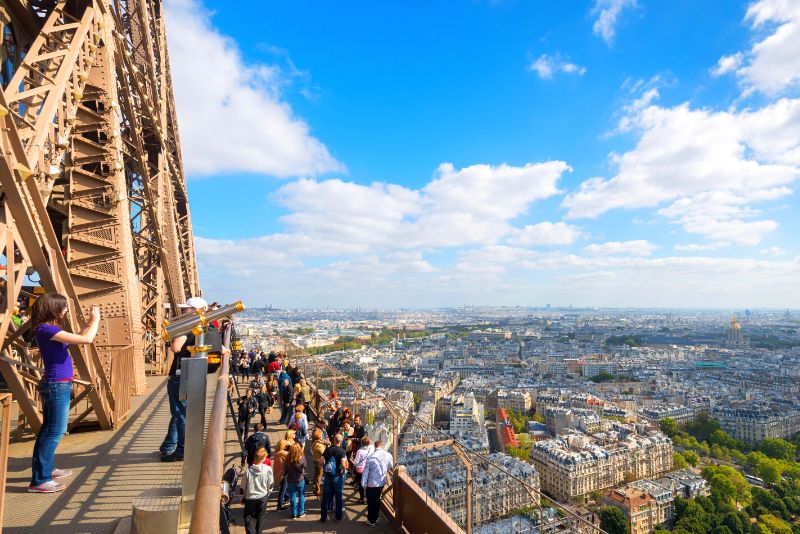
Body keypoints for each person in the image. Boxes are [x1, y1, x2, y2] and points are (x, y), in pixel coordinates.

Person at [28, 293, 101, 493]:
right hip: (56, 385)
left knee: (48, 430)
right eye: (64, 307)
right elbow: (86, 339)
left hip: (57, 384)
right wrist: (95, 320)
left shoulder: (48, 330)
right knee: (55, 432)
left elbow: (77, 337)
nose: (66, 310)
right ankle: (39, 480)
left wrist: (88, 322)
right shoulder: (46, 329)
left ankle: (48, 470)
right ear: (54, 309)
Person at [160, 296, 208, 462]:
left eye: (185, 309)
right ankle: (168, 445)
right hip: (191, 374)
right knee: (179, 413)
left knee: (180, 413)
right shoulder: (204, 326)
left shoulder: (189, 326)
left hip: (180, 375)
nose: (181, 311)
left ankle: (182, 450)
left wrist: (177, 330)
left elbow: (175, 347)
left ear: (194, 312)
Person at [362, 440, 394, 526]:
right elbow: (391, 466)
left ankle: (371, 521)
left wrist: (364, 485)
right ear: (382, 446)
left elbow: (365, 473)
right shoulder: (388, 455)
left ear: (375, 446)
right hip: (382, 482)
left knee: (371, 502)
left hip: (371, 484)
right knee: (377, 500)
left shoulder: (370, 457)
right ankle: (376, 517)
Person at [242, 447, 273, 534]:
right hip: (262, 497)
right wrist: (267, 494)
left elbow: (243, 487)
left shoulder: (248, 472)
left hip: (250, 498)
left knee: (248, 517)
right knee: (261, 517)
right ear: (263, 459)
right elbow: (270, 484)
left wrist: (243, 497)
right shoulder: (268, 470)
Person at [320, 433, 348, 523]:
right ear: (341, 441)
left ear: (333, 440)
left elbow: (320, 461)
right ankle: (338, 517)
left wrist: (324, 468)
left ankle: (323, 517)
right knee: (338, 496)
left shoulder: (327, 450)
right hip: (337, 477)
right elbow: (343, 464)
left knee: (325, 497)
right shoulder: (342, 451)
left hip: (328, 476)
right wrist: (343, 470)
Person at [273, 430, 295, 511]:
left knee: (284, 485)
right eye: (293, 433)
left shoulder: (280, 446)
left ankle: (286, 497)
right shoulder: (287, 448)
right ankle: (280, 504)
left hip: (281, 470)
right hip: (285, 470)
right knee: (284, 486)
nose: (295, 434)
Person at [285, 443, 306, 519]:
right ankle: (301, 512)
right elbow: (305, 466)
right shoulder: (302, 457)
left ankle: (293, 513)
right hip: (300, 480)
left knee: (292, 496)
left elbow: (285, 468)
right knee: (301, 495)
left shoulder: (287, 457)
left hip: (290, 479)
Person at [352, 436, 374, 503]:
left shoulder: (360, 451)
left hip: (360, 470)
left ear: (362, 443)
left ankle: (362, 499)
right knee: (367, 484)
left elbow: (355, 462)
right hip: (368, 469)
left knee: (361, 484)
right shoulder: (371, 450)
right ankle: (368, 498)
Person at [310, 429, 329, 497]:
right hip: (319, 462)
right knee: (319, 477)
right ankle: (317, 490)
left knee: (316, 475)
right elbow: (324, 453)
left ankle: (314, 487)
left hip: (315, 460)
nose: (322, 436)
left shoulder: (315, 442)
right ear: (318, 436)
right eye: (321, 435)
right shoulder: (319, 445)